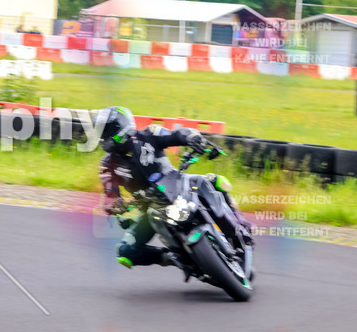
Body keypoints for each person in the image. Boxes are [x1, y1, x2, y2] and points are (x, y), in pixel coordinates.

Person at [94, 106, 252, 269]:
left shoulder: (149, 134)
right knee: (124, 252)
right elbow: (109, 193)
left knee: (212, 181)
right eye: (100, 132)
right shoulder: (107, 165)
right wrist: (113, 205)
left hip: (178, 183)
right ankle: (173, 258)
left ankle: (239, 229)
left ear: (120, 127)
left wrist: (191, 137)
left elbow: (176, 135)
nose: (102, 137)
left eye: (105, 131)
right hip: (151, 209)